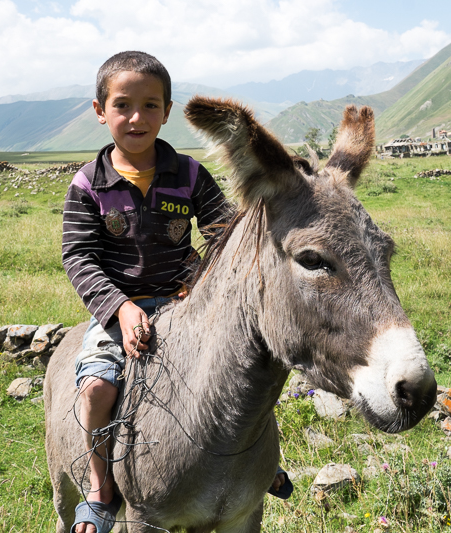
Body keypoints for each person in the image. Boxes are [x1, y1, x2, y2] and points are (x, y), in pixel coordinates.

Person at [61, 51, 291, 533]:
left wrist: (196, 282)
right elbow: (79, 258)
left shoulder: (188, 174)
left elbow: (226, 234)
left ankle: (256, 463)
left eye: (150, 105)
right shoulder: (88, 185)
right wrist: (119, 309)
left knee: (244, 366)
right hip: (117, 313)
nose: (137, 118)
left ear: (167, 111)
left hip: (185, 304)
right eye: (123, 105)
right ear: (100, 111)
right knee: (97, 388)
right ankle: (100, 487)